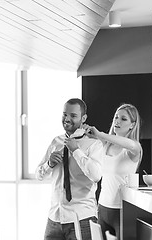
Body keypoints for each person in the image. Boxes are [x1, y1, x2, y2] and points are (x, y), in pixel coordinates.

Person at [36, 98, 103, 240]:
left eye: (73, 116)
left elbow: (96, 175)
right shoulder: (56, 142)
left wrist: (76, 151)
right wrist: (49, 164)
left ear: (83, 118)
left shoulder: (93, 144)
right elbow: (39, 175)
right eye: (64, 114)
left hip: (82, 219)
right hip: (54, 219)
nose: (67, 119)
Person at [83, 103, 143, 240]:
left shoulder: (134, 148)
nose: (117, 121)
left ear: (132, 125)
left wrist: (100, 135)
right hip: (103, 207)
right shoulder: (106, 145)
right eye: (116, 117)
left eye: (123, 119)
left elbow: (130, 144)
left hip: (122, 210)